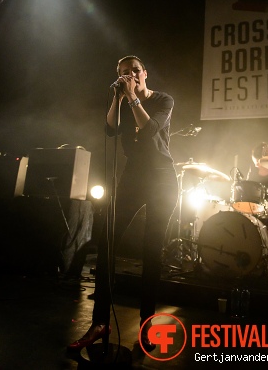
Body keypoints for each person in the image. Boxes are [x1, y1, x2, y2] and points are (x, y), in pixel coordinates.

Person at [68, 55, 178, 352]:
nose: (130, 75)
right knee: (107, 241)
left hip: (162, 179)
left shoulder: (163, 100)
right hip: (133, 177)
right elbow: (110, 129)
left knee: (151, 251)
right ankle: (100, 323)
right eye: (123, 73)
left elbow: (151, 128)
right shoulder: (123, 97)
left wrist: (131, 96)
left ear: (145, 74)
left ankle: (146, 324)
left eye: (134, 71)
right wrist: (118, 98)